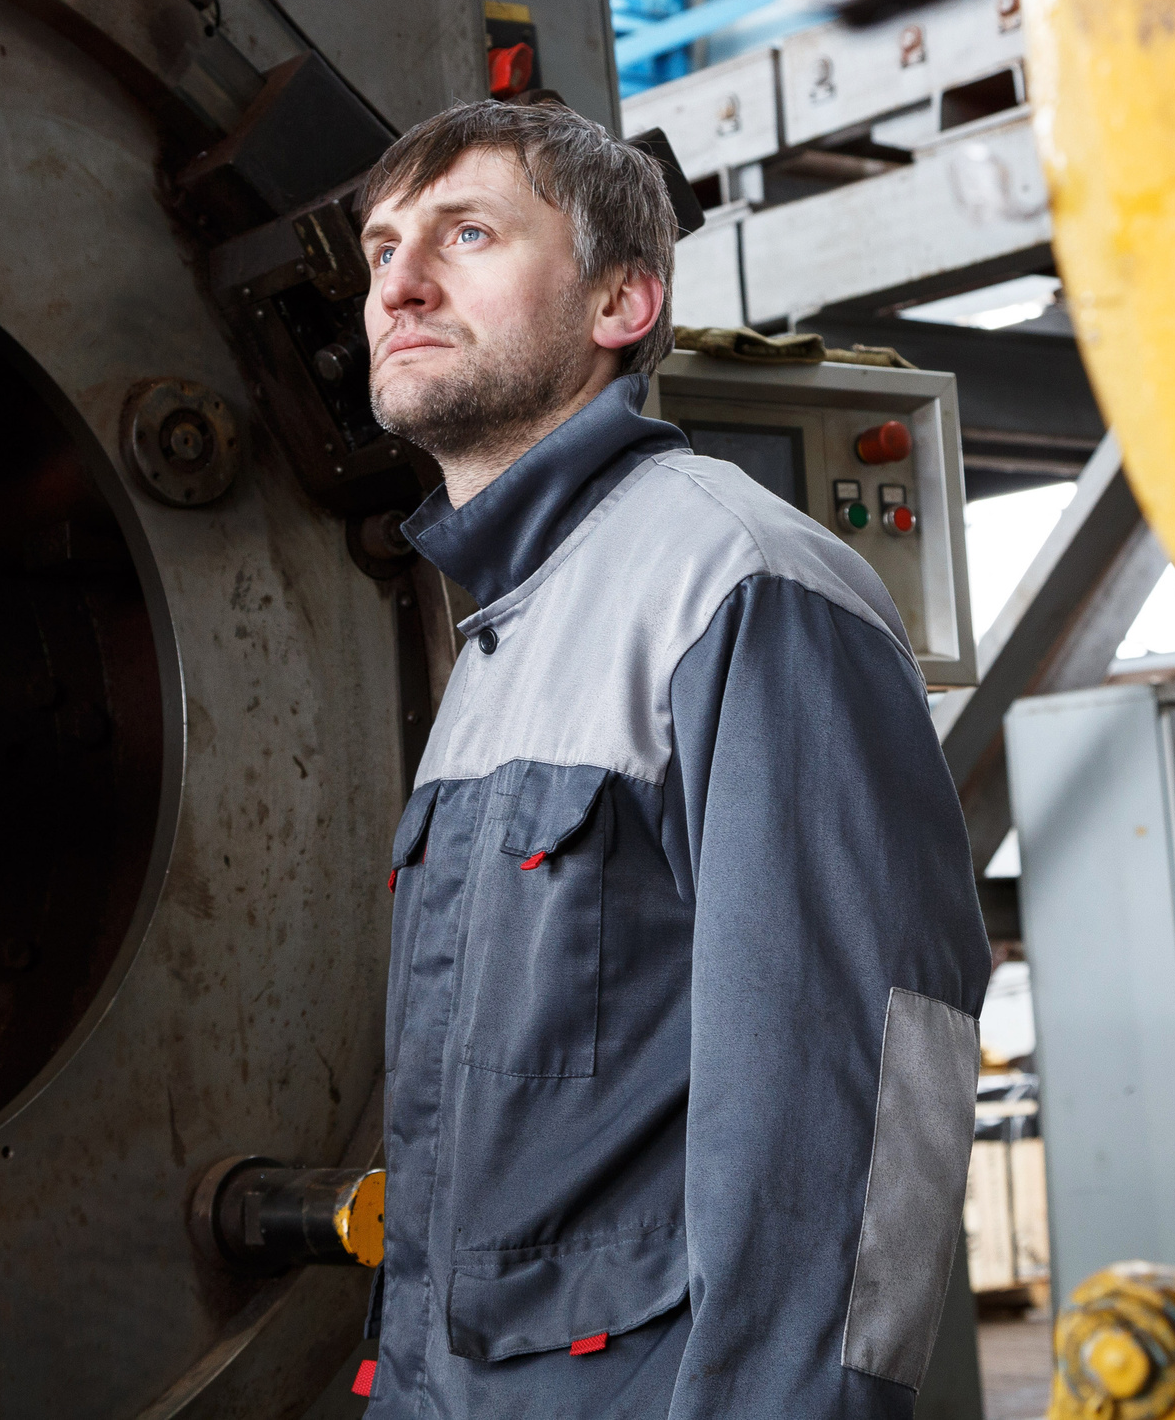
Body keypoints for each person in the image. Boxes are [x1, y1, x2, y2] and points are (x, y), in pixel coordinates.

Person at [351, 98, 991, 1419]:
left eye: (465, 234)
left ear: (621, 302)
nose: (400, 285)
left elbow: (869, 1075)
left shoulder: (741, 583)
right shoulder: (503, 635)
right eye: (379, 250)